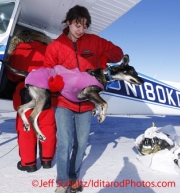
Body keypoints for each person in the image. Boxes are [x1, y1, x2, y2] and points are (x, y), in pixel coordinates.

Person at [44, 5, 123, 193]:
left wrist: (104, 56)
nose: (81, 30)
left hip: (86, 102)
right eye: (78, 25)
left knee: (81, 143)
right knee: (65, 142)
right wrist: (53, 84)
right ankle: (62, 183)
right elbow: (47, 71)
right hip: (63, 100)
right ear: (68, 22)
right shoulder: (55, 46)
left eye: (85, 26)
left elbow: (118, 53)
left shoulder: (94, 41)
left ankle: (73, 177)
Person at [7, 30, 58, 172]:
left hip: (24, 88)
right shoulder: (48, 49)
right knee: (48, 126)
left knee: (25, 128)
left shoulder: (16, 51)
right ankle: (47, 160)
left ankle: (28, 163)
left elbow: (11, 75)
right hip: (45, 89)